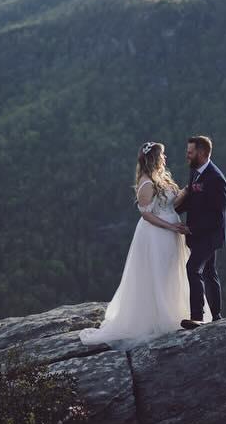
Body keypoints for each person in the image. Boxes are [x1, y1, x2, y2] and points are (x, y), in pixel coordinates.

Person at [79, 142, 206, 347]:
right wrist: (171, 227)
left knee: (171, 273)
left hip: (170, 233)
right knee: (158, 274)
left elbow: (170, 204)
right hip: (157, 235)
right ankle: (159, 318)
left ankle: (176, 312)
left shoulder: (161, 178)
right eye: (162, 155)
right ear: (154, 158)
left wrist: (188, 190)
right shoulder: (146, 183)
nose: (165, 158)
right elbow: (147, 215)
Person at [176, 134, 226, 329]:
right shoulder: (196, 173)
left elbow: (217, 215)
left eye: (190, 152)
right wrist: (170, 212)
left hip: (210, 234)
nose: (187, 156)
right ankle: (216, 316)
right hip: (198, 234)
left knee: (193, 268)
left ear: (203, 153)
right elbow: (191, 201)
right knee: (209, 271)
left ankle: (197, 316)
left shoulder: (216, 179)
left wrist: (191, 228)